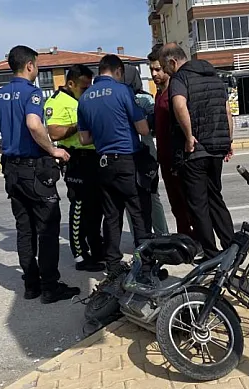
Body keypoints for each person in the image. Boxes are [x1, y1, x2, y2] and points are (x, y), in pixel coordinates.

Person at [0, 45, 79, 304]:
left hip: (12, 170)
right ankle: (50, 287)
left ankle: (31, 285)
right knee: (47, 229)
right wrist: (53, 150)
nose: (37, 69)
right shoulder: (32, 93)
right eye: (37, 65)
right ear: (30, 65)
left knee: (25, 229)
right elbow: (33, 124)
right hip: (35, 170)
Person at [78, 54, 153, 274]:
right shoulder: (122, 91)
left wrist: (103, 133)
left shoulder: (85, 97)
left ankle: (113, 266)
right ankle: (145, 267)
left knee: (111, 216)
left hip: (103, 163)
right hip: (127, 161)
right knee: (138, 213)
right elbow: (143, 129)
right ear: (118, 71)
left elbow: (84, 139)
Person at [159, 43, 234, 260]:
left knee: (198, 204)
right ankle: (231, 246)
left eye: (165, 66)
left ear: (173, 61)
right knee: (215, 198)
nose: (165, 71)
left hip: (195, 152)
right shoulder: (214, 76)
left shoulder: (180, 79)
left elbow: (179, 105)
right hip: (216, 149)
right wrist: (228, 141)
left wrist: (189, 136)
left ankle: (211, 252)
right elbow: (227, 111)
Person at [44, 64, 105, 272]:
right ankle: (80, 255)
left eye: (89, 86)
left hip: (94, 158)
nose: (87, 90)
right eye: (83, 87)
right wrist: (80, 125)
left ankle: (97, 249)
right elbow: (54, 132)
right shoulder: (57, 102)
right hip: (76, 159)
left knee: (96, 208)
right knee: (79, 208)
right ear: (71, 83)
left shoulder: (85, 98)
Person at [148, 45, 194, 238]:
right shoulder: (159, 94)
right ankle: (185, 240)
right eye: (151, 70)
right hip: (165, 160)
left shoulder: (176, 93)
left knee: (188, 204)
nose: (154, 74)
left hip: (179, 158)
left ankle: (197, 241)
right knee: (176, 206)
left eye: (158, 69)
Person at [121, 63, 169, 235]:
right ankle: (161, 234)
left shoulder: (123, 99)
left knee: (131, 198)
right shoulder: (146, 98)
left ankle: (140, 236)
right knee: (152, 195)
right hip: (146, 153)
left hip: (130, 153)